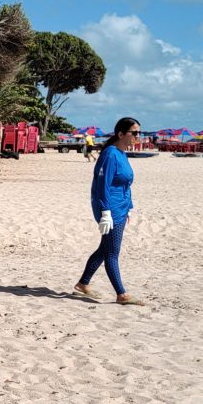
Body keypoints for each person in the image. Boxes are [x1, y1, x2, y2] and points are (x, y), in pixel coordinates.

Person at [74, 117, 144, 306]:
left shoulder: (122, 153)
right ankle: (122, 294)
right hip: (110, 209)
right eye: (134, 133)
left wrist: (129, 208)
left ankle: (83, 283)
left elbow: (125, 184)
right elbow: (102, 186)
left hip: (121, 208)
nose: (138, 136)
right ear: (121, 134)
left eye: (139, 132)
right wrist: (105, 212)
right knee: (112, 252)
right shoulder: (110, 154)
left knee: (105, 249)